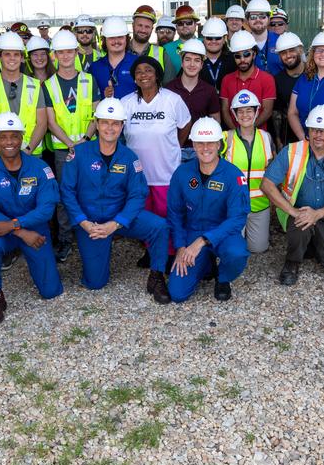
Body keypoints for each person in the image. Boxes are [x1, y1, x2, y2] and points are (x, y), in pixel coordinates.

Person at [60, 98, 171, 302]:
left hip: (119, 218)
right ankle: (99, 252)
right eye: (105, 122)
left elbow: (138, 194)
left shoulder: (130, 157)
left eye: (115, 123)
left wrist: (116, 223)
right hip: (89, 222)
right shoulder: (79, 153)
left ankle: (156, 275)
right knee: (96, 283)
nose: (110, 128)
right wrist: (83, 223)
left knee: (160, 227)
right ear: (97, 123)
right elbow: (67, 191)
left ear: (122, 126)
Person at [0, 112, 64, 324]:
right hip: (6, 231)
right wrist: (21, 232)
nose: (9, 142)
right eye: (3, 137)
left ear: (22, 138)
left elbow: (46, 209)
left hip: (36, 231)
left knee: (51, 291)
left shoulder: (40, 167)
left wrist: (16, 225)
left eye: (14, 136)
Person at [261, 104, 324, 284]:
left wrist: (318, 214)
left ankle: (314, 244)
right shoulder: (292, 151)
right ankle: (292, 262)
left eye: (323, 131)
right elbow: (266, 184)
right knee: (301, 225)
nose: (318, 135)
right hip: (298, 214)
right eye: (314, 129)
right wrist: (293, 211)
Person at [166, 117, 250, 303]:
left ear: (219, 144)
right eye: (200, 143)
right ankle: (205, 264)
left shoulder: (233, 175)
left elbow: (237, 218)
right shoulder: (182, 173)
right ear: (193, 145)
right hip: (192, 231)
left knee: (237, 253)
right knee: (177, 294)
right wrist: (180, 247)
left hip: (223, 233)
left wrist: (203, 241)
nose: (205, 148)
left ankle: (223, 278)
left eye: (211, 142)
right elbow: (175, 213)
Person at [45, 30, 101, 261]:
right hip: (63, 149)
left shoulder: (88, 80)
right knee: (64, 194)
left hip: (88, 146)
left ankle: (91, 233)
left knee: (90, 191)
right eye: (61, 52)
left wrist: (85, 140)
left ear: (75, 52)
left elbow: (98, 113)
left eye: (70, 51)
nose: (66, 55)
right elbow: (50, 120)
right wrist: (70, 144)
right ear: (55, 55)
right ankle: (66, 239)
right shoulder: (48, 84)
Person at [122, 56, 192, 226]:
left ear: (158, 75)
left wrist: (176, 145)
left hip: (166, 173)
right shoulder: (126, 102)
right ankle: (150, 250)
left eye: (148, 70)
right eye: (138, 72)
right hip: (138, 175)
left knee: (167, 214)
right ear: (134, 78)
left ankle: (169, 251)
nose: (143, 75)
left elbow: (186, 123)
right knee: (143, 216)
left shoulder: (172, 100)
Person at [223, 90, 274, 254]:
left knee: (258, 249)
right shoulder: (225, 138)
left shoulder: (266, 137)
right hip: (233, 206)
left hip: (260, 205)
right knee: (234, 249)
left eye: (249, 110)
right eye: (241, 111)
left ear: (256, 112)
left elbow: (273, 172)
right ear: (234, 114)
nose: (245, 115)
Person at [0, 33, 50, 156]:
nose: (12, 58)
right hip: (1, 155)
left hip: (32, 154)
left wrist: (28, 150)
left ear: (22, 58)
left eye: (16, 54)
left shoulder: (34, 85)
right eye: (7, 54)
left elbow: (42, 123)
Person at [163, 39, 221, 162]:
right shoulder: (169, 89)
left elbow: (216, 121)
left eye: (197, 60)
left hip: (200, 151)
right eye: (188, 59)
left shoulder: (209, 91)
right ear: (182, 62)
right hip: (174, 150)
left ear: (201, 65)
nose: (192, 64)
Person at [220, 32, 276, 128]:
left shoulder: (267, 79)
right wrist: (237, 133)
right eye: (237, 56)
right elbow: (225, 110)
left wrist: (249, 130)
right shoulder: (226, 80)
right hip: (234, 137)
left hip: (259, 137)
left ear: (254, 55)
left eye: (246, 54)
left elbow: (267, 111)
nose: (242, 60)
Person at [89, 15, 138, 100]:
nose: (116, 41)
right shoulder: (95, 67)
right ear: (104, 40)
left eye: (120, 37)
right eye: (111, 38)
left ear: (126, 38)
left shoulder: (138, 63)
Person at [271, 32, 306, 146]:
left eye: (291, 50)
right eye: (283, 53)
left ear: (300, 50)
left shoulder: (315, 74)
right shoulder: (277, 80)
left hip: (319, 133)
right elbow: (277, 113)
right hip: (291, 140)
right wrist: (278, 140)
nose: (288, 55)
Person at [242, 0, 279, 73]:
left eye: (262, 16)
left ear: (269, 19)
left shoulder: (280, 41)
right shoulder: (241, 43)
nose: (258, 20)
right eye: (253, 17)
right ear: (247, 20)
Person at [128, 4, 166, 74]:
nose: (143, 30)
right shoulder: (121, 50)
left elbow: (168, 83)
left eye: (147, 27)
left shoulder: (162, 53)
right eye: (140, 25)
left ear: (152, 29)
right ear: (132, 25)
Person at [164, 4, 200, 77]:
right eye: (180, 23)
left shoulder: (206, 44)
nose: (185, 26)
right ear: (176, 27)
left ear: (196, 24)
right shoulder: (166, 49)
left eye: (189, 23)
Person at [199, 18, 231, 90]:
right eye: (209, 38)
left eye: (218, 38)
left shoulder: (234, 60)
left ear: (224, 39)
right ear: (203, 39)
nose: (213, 41)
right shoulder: (195, 60)